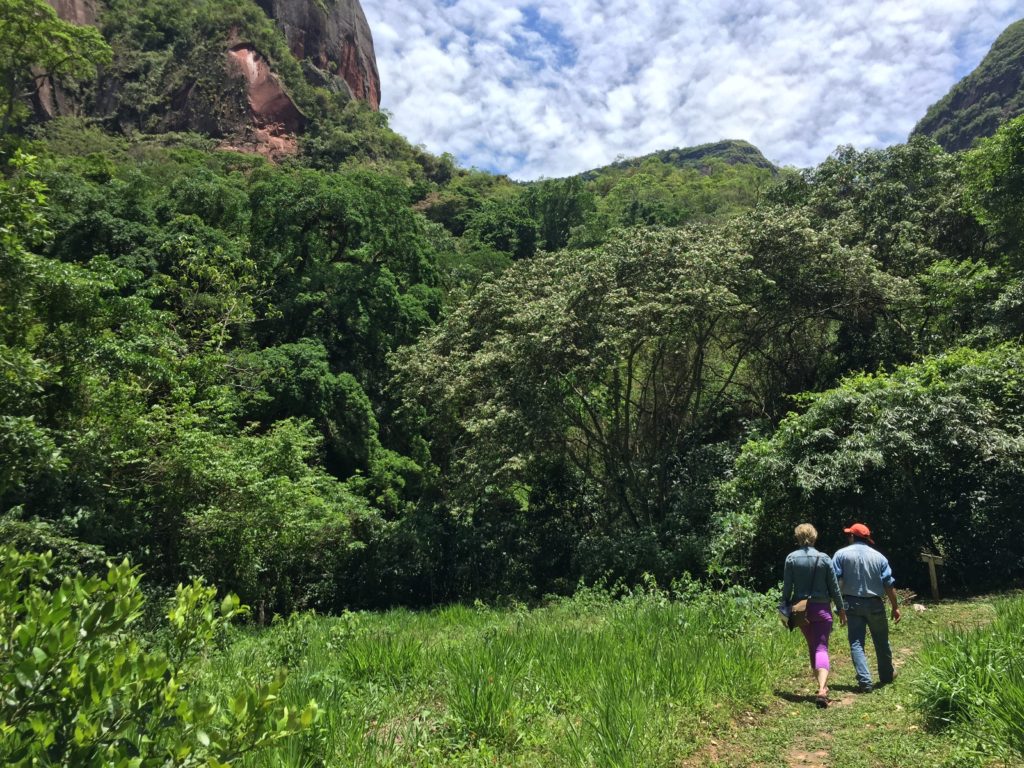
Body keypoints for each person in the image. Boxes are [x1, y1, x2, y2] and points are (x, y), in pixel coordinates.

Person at [832, 522, 902, 693]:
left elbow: (835, 582)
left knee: (856, 642)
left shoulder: (840, 555)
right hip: (875, 603)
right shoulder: (879, 557)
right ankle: (886, 676)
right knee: (881, 640)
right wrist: (895, 606)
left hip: (851, 603)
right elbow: (888, 584)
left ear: (852, 536)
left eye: (849, 535)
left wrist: (836, 605)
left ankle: (865, 681)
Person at [782, 523, 847, 708]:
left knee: (813, 646)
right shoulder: (824, 558)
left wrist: (784, 609)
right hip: (822, 609)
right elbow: (834, 587)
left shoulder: (791, 559)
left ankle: (822, 687)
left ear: (797, 537)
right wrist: (841, 609)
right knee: (821, 647)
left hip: (801, 611)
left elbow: (787, 588)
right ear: (815, 536)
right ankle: (822, 688)